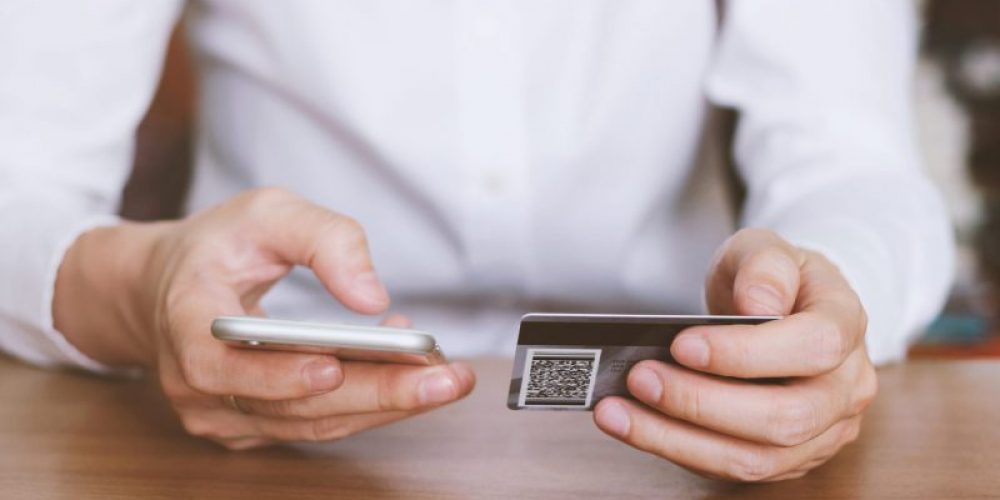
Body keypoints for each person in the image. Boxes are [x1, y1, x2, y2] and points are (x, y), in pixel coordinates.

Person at [0, 0, 953, 482]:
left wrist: (832, 306)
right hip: (256, 452)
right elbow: (18, 177)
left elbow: (852, 156)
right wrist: (146, 285)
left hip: (675, 438)